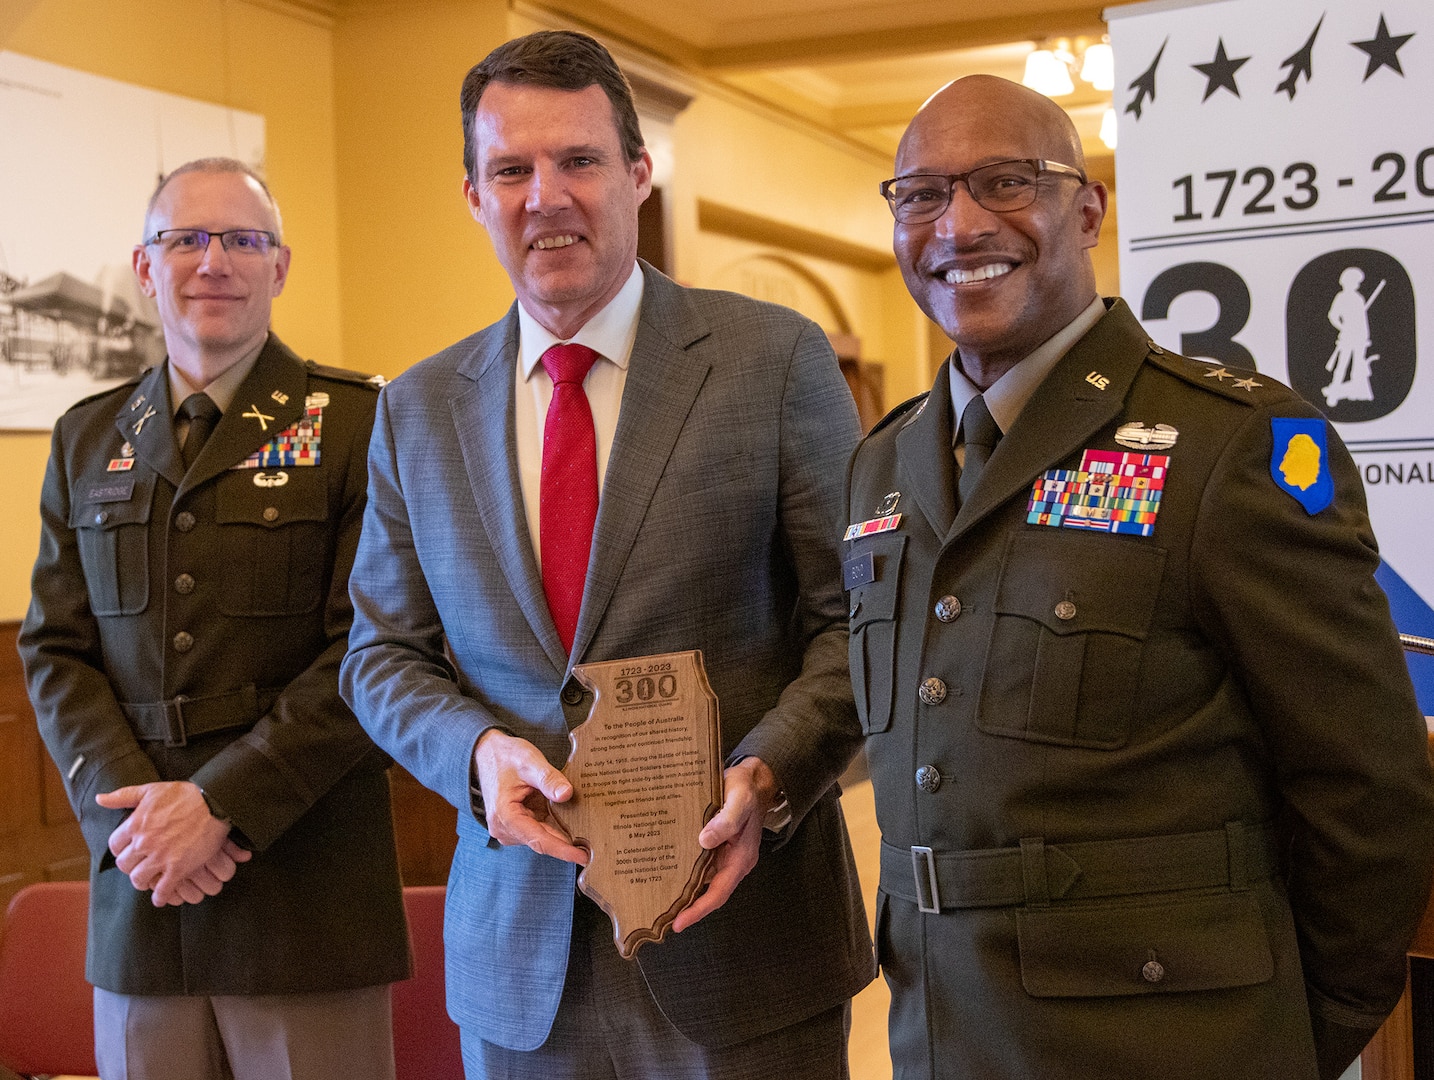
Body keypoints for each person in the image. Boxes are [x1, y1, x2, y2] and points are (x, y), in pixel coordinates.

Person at [845, 74, 1434, 1080]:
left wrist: (1297, 1030)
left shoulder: (1232, 441)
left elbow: (1365, 783)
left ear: (1086, 210)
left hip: (1176, 1043)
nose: (961, 223)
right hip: (944, 1036)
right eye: (924, 194)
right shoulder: (882, 463)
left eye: (1005, 181)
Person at [340, 29, 873, 1080]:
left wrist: (768, 781)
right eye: (511, 170)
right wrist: (478, 758)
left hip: (744, 941)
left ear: (637, 172)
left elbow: (857, 622)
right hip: (521, 966)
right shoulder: (415, 410)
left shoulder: (773, 360)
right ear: (474, 196)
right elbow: (380, 655)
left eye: (578, 160)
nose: (546, 196)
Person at [18, 158, 410, 1080]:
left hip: (304, 904)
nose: (213, 261)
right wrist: (135, 827)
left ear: (281, 266)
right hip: (141, 897)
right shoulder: (88, 437)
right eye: (185, 239)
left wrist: (222, 809)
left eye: (242, 239)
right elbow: (55, 650)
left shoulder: (358, 424)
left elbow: (374, 647)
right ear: (144, 267)